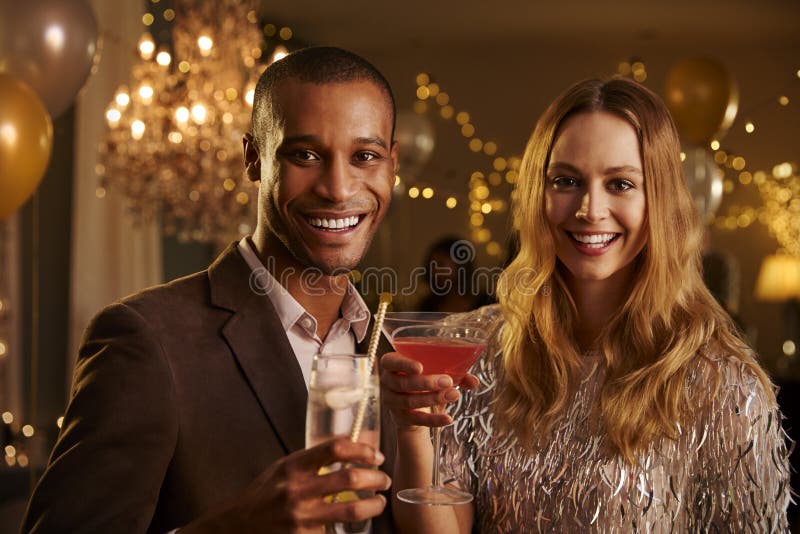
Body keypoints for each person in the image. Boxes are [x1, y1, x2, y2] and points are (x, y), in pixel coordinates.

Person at [381, 77, 791, 532]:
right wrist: (414, 429)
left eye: (620, 183)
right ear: (539, 193)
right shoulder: (473, 347)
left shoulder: (724, 385)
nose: (590, 209)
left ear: (659, 199)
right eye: (566, 181)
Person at [23, 46, 398, 533]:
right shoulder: (146, 340)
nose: (338, 187)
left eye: (364, 156)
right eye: (304, 154)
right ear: (254, 159)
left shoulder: (394, 356)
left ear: (392, 166)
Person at [416, 236, 492, 313]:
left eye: (440, 265)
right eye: (431, 266)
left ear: (461, 265)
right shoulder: (428, 306)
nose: (435, 271)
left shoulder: (486, 304)